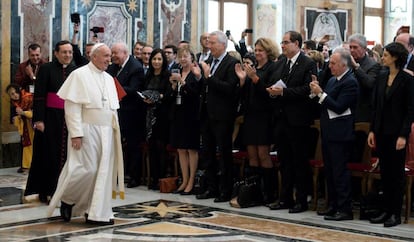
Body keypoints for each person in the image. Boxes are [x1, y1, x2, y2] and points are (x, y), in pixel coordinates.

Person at [47, 43, 124, 225]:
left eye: (109, 56)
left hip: (107, 131)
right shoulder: (79, 75)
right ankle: (68, 198)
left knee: (103, 173)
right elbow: (72, 107)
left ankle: (97, 213)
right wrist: (76, 133)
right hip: (87, 129)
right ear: (94, 56)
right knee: (86, 169)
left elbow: (112, 109)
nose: (109, 59)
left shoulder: (109, 78)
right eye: (105, 56)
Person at [266, 30, 317, 213]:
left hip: (299, 120)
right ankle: (284, 198)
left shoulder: (308, 63)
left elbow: (307, 90)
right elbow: (274, 81)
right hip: (281, 119)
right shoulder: (281, 63)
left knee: (299, 162)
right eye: (282, 42)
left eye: (286, 42)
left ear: (296, 44)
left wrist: (284, 92)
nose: (283, 45)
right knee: (284, 161)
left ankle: (301, 200)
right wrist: (273, 91)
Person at [367, 42, 414, 227]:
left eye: (385, 55)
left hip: (397, 134)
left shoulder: (407, 80)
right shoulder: (382, 76)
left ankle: (395, 213)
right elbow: (376, 106)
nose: (382, 57)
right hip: (381, 132)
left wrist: (403, 135)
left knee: (396, 175)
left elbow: (410, 110)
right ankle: (385, 210)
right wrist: (372, 130)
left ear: (395, 57)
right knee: (385, 173)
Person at [309, 47, 359, 221]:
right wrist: (315, 93)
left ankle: (344, 209)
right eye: (330, 63)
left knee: (339, 172)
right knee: (329, 172)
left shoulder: (350, 82)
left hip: (341, 134)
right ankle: (333, 205)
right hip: (328, 132)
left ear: (344, 65)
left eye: (333, 63)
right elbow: (324, 104)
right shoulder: (332, 81)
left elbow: (338, 106)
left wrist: (320, 94)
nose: (329, 66)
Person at [25, 40, 76, 203]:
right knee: (48, 155)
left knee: (66, 156)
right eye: (64, 52)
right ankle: (45, 189)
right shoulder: (46, 68)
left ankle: (64, 191)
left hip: (68, 118)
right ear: (56, 53)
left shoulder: (75, 70)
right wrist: (39, 119)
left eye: (70, 52)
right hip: (49, 118)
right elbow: (39, 95)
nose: (67, 55)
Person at [234, 37, 279, 205]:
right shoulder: (254, 68)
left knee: (263, 154)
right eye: (257, 50)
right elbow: (246, 95)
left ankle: (269, 192)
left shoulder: (272, 68)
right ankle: (254, 191)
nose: (258, 53)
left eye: (261, 50)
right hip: (251, 116)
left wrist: (254, 78)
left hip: (265, 116)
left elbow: (268, 92)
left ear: (268, 52)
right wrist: (243, 80)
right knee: (252, 155)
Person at [196, 30, 239, 202]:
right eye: (208, 42)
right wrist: (200, 78)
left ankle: (225, 190)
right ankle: (211, 187)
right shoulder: (207, 62)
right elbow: (204, 87)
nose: (209, 45)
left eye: (212, 43)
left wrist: (209, 76)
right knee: (207, 154)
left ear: (223, 44)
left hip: (222, 116)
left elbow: (229, 88)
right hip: (206, 113)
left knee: (224, 154)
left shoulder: (232, 63)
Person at [107, 42, 145, 188]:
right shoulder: (113, 67)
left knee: (133, 145)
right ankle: (117, 173)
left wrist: (113, 88)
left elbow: (133, 89)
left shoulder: (136, 67)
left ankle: (134, 176)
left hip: (132, 113)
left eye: (115, 53)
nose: (113, 56)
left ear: (124, 52)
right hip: (116, 112)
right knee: (116, 144)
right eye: (112, 53)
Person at [169, 46, 202, 195]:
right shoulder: (178, 71)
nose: (183, 59)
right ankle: (184, 179)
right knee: (181, 149)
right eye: (181, 56)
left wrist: (181, 81)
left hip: (191, 114)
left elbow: (195, 93)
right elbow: (174, 94)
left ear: (192, 59)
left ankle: (191, 181)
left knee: (191, 149)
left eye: (186, 56)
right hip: (178, 113)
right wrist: (173, 85)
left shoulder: (195, 73)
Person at [142, 48, 174, 190]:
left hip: (162, 115)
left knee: (161, 148)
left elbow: (168, 95)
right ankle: (153, 178)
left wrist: (155, 97)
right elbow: (142, 91)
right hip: (149, 115)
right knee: (152, 147)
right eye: (154, 59)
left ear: (163, 61)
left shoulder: (167, 75)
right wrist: (146, 98)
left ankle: (161, 179)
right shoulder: (148, 75)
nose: (156, 61)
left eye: (159, 59)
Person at [348, 33, 382, 122]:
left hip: (362, 112)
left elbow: (369, 83)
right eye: (350, 47)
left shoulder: (373, 65)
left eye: (355, 47)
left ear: (364, 49)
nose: (352, 50)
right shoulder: (346, 64)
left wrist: (356, 67)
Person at [6, 83, 34, 173]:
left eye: (15, 93)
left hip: (34, 127)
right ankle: (26, 166)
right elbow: (16, 119)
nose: (15, 96)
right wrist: (17, 118)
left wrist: (23, 113)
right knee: (27, 145)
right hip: (26, 128)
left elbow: (36, 113)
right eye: (12, 94)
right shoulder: (15, 104)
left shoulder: (28, 98)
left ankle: (31, 166)